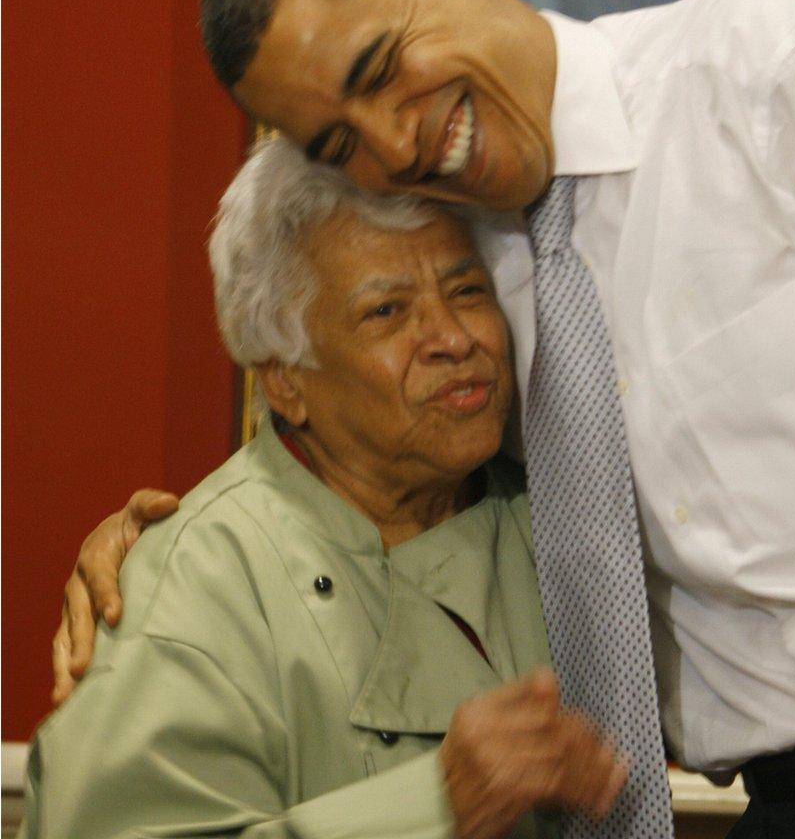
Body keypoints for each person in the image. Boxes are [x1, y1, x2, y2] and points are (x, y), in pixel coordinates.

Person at [54, 0, 795, 838]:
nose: (394, 143)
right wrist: (169, 559)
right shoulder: (468, 273)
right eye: (338, 140)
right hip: (789, 806)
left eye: (378, 67)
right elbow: (378, 482)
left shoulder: (766, 67)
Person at [24, 137, 629, 839]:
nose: (453, 338)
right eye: (387, 312)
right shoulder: (199, 579)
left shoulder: (561, 516)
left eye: (467, 291)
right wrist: (433, 805)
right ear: (283, 376)